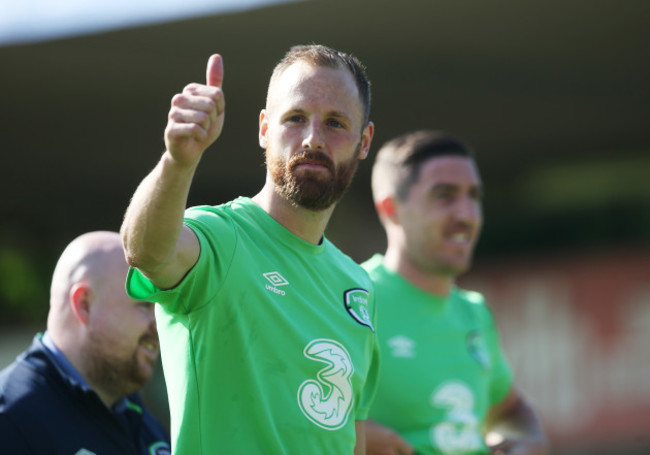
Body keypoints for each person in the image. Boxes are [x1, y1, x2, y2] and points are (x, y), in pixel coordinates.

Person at [120, 44, 379, 454]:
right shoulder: (221, 236)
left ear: (364, 140)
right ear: (264, 129)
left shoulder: (357, 286)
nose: (313, 138)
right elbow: (147, 252)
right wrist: (178, 161)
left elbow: (352, 440)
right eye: (295, 118)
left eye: (335, 123)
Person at [362, 130, 549, 455]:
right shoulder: (353, 297)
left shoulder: (473, 312)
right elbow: (291, 405)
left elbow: (510, 410)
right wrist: (353, 435)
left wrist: (527, 443)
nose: (466, 215)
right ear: (391, 208)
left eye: (473, 196)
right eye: (444, 195)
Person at [0, 231, 170, 455]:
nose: (158, 326)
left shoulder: (144, 424)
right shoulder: (11, 418)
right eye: (145, 306)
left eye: (160, 309)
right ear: (84, 305)